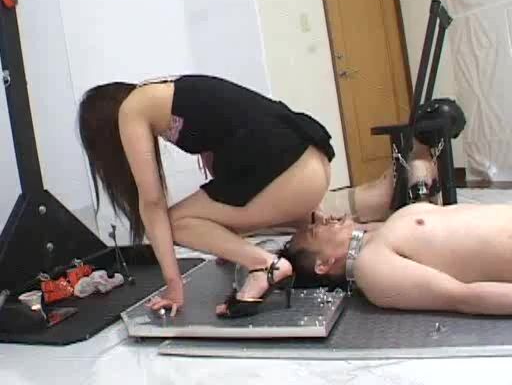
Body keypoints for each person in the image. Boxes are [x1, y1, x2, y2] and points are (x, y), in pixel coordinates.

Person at [78, 74, 437, 318]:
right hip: (308, 164)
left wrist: (173, 286)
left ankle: (265, 265)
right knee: (205, 209)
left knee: (174, 223)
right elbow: (234, 134)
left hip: (289, 173)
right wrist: (224, 240)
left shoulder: (132, 110)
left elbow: (152, 203)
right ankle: (412, 236)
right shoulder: (166, 93)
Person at [283, 202, 512, 315]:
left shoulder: (382, 231)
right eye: (314, 231)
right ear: (323, 264)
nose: (323, 221)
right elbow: (462, 297)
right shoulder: (370, 266)